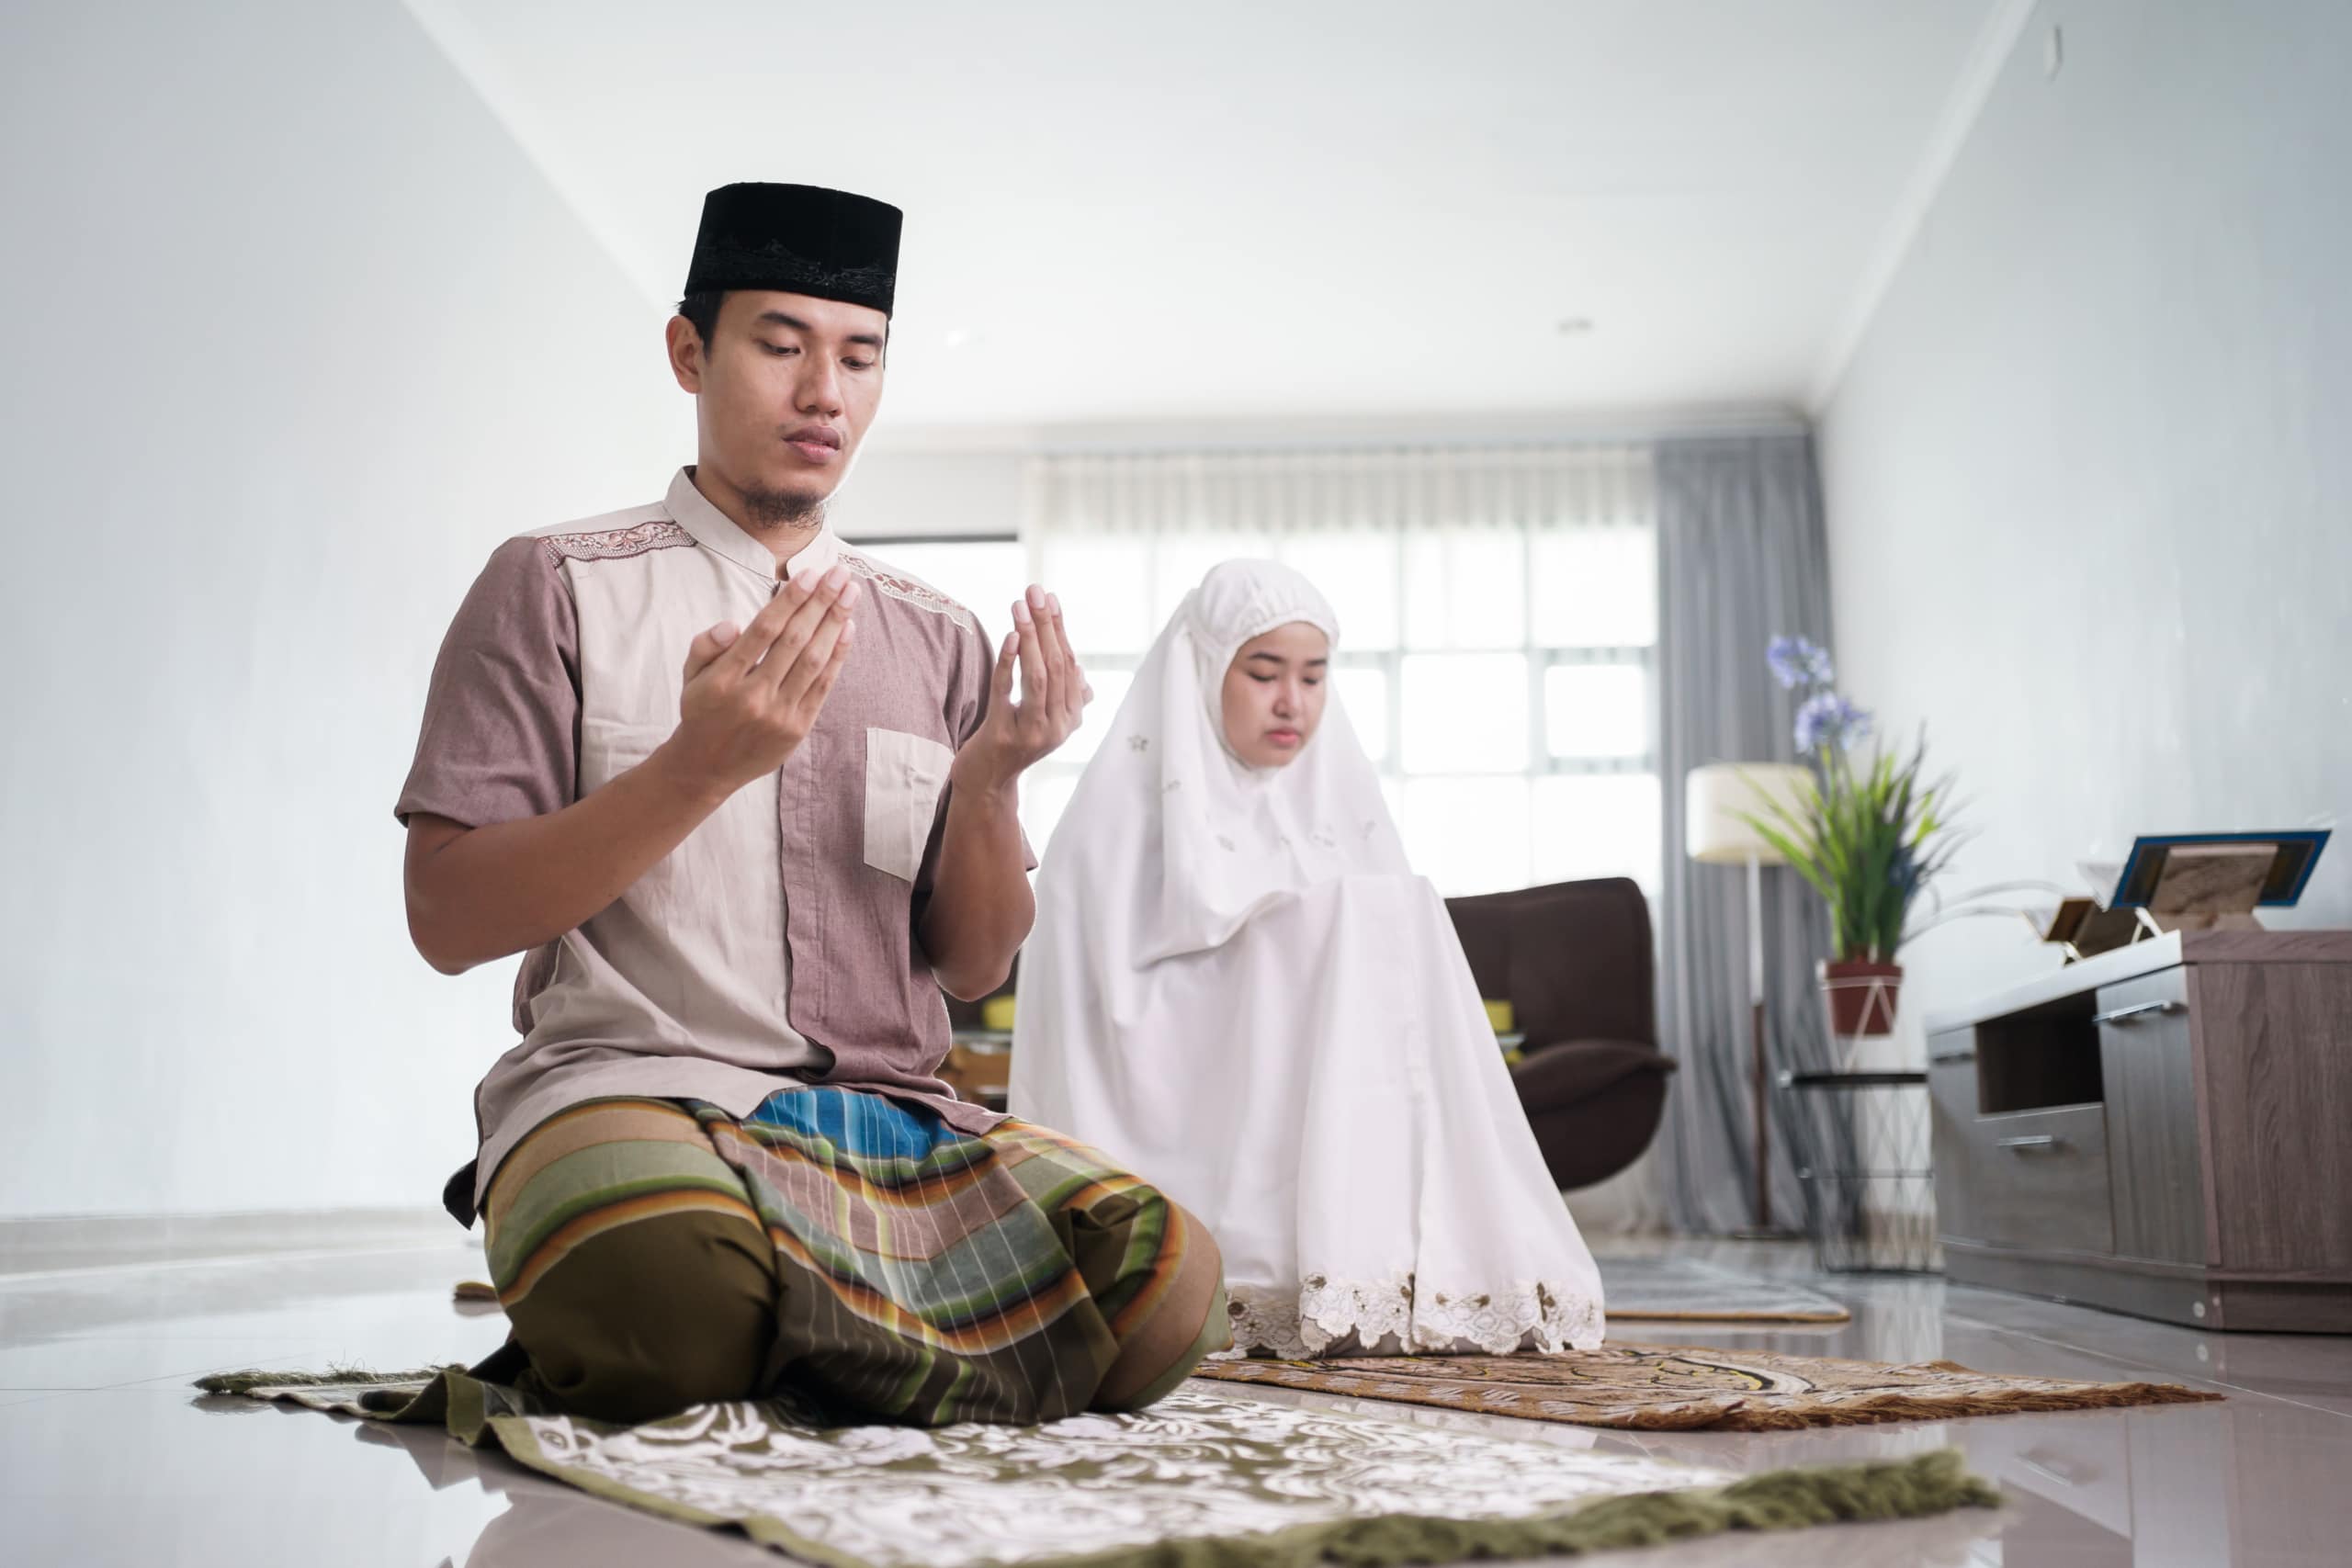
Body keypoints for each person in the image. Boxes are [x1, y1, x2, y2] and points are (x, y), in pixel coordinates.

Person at [397, 182, 1227, 1427]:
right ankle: (888, 1325)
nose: (822, 391)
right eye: (780, 345)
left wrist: (994, 778)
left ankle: (818, 1324)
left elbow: (973, 955)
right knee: (668, 1294)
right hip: (634, 1089)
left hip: (887, 1124)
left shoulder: (936, 636)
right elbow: (448, 918)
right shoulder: (554, 584)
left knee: (1172, 1283)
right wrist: (695, 768)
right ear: (691, 351)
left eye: (858, 356)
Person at [1008, 559, 1603, 1358]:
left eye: (1314, 677)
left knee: (1395, 903)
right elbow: (1113, 1005)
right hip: (1182, 1091)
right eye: (1263, 673)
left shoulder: (1323, 800)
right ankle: (1283, 1265)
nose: (1293, 701)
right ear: (1206, 669)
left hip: (1300, 1059)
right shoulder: (1113, 823)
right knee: (1364, 911)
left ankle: (1387, 1262)